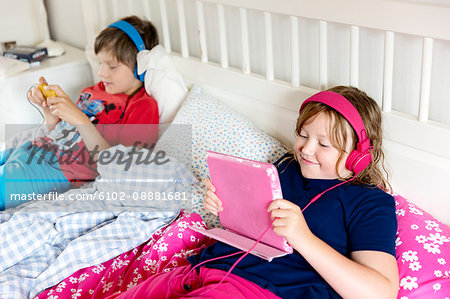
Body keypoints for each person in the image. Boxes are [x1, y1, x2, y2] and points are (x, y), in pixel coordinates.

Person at [105, 86, 399, 299]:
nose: (306, 150)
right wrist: (225, 204)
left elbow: (380, 292)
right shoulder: (283, 167)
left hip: (260, 289)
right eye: (303, 135)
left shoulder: (371, 203)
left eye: (324, 144)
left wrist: (303, 237)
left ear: (359, 154)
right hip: (202, 269)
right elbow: (252, 226)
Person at [0, 16, 160, 210]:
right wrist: (48, 109)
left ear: (139, 67)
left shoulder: (142, 107)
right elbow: (60, 133)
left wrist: (79, 118)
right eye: (100, 63)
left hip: (52, 171)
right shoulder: (95, 91)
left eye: (112, 66)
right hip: (29, 151)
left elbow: (120, 167)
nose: (101, 72)